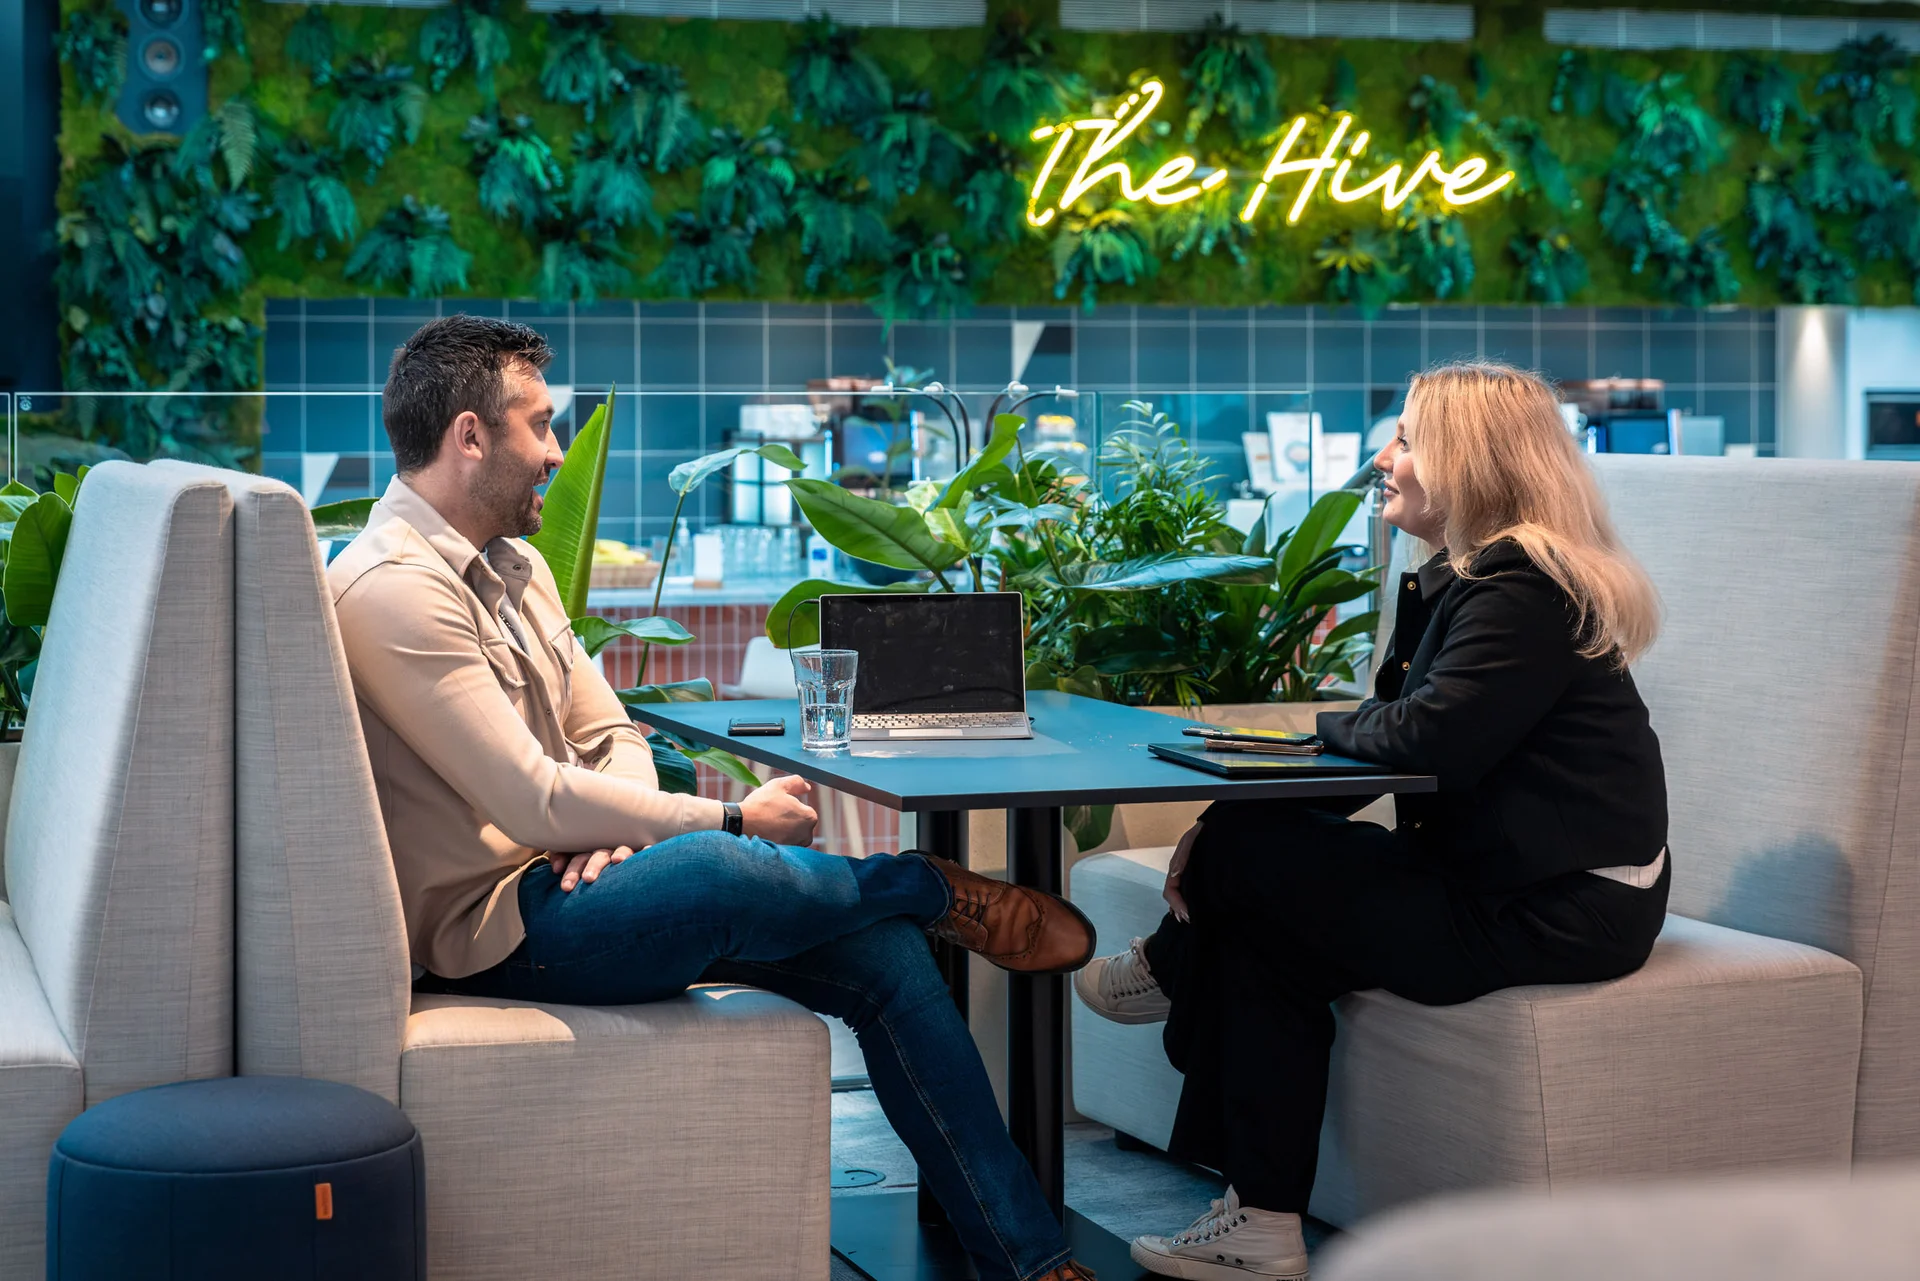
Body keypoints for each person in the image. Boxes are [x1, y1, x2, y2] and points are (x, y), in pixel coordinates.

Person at [328, 314, 1099, 1281]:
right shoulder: (394, 588)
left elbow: (611, 733)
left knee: (890, 960)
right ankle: (927, 884)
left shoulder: (516, 568)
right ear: (470, 436)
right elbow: (531, 799)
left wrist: (605, 837)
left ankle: (1028, 1262)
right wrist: (733, 815)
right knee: (721, 863)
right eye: (540, 424)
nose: (556, 452)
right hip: (495, 933)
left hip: (581, 884)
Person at [1075, 360, 1671, 1281]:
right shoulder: (1464, 578)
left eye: (1406, 440)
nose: (1384, 460)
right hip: (1498, 878)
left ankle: (1167, 967)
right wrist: (1234, 825)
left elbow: (1426, 738)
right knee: (1260, 906)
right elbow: (1389, 746)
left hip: (1563, 906)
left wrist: (1273, 788)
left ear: (1469, 462)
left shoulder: (1523, 588)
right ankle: (1260, 1224)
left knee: (1249, 870)